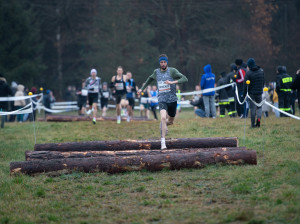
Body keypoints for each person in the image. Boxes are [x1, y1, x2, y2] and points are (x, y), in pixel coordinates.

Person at [137, 54, 188, 149]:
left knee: (170, 121)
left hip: (172, 100)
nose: (163, 64)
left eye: (164, 62)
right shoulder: (156, 72)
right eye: (161, 62)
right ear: (159, 63)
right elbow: (149, 79)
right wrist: (141, 89)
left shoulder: (172, 71)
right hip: (162, 99)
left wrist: (172, 82)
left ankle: (163, 125)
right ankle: (163, 142)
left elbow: (185, 78)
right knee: (163, 118)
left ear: (167, 62)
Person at [243, 58, 264, 128]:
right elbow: (263, 82)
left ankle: (252, 124)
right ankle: (258, 120)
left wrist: (244, 94)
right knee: (259, 107)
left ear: (249, 66)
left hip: (251, 94)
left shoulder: (248, 73)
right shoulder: (261, 71)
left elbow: (245, 85)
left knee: (252, 108)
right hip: (259, 92)